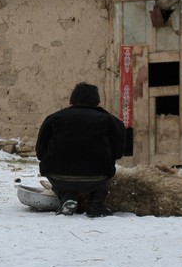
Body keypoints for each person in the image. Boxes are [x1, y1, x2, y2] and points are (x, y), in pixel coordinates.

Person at [35, 82, 126, 218]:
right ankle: (96, 204)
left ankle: (67, 197)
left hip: (58, 176)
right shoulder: (110, 120)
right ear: (98, 101)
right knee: (106, 167)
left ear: (71, 99)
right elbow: (119, 152)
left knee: (57, 171)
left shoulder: (54, 118)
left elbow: (40, 152)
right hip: (97, 176)